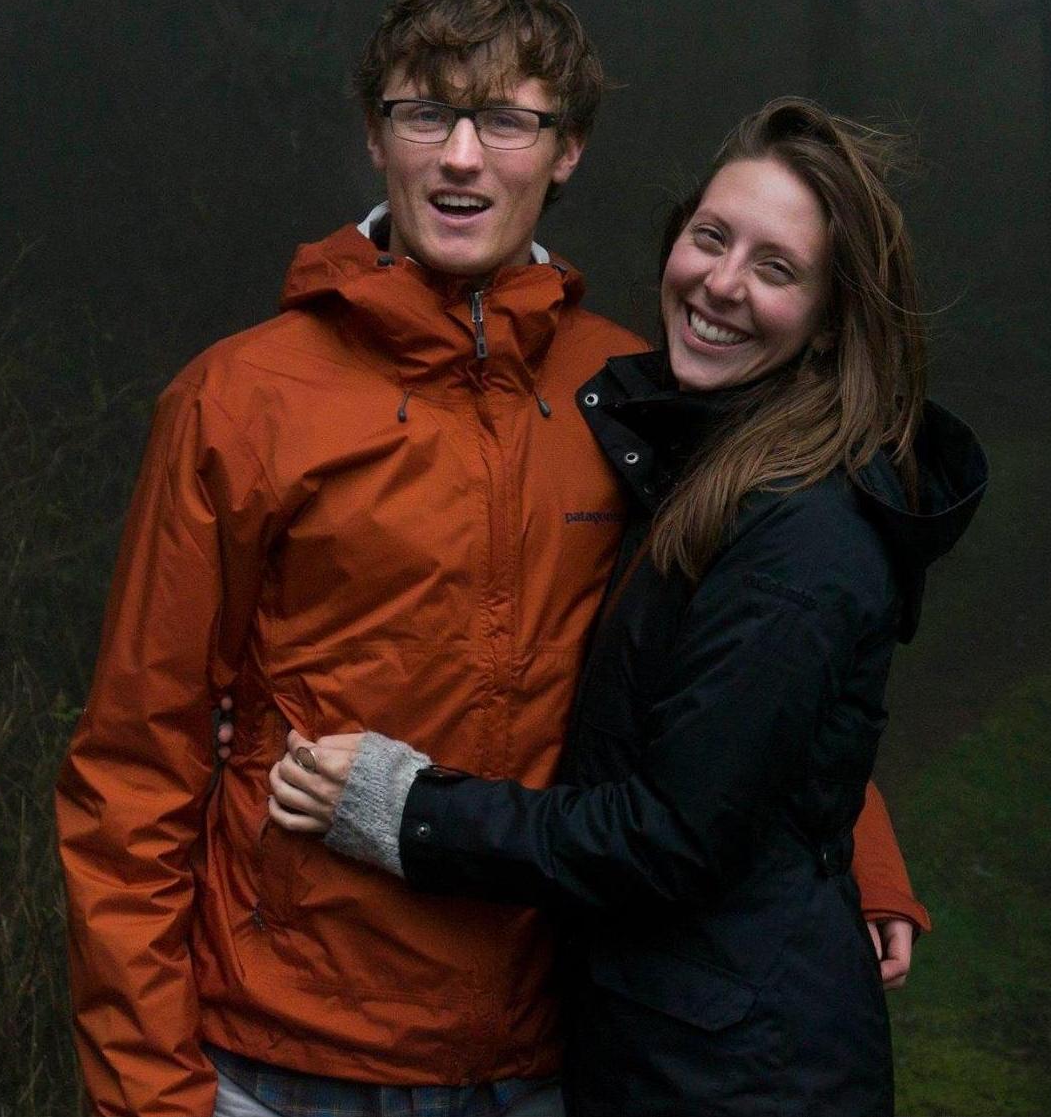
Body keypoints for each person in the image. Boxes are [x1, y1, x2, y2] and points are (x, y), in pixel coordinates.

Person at [55, 0, 928, 1117]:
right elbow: (135, 768)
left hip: (547, 1051)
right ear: (376, 136)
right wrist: (146, 1093)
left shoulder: (629, 392)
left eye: (507, 119)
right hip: (287, 1057)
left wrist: (858, 849)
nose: (462, 157)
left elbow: (740, 655)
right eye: (427, 112)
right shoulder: (238, 400)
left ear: (564, 153)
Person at [266, 97, 986, 1116]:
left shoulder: (800, 532)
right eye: (710, 236)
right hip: (674, 1039)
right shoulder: (705, 456)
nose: (720, 284)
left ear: (829, 325)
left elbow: (673, 831)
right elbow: (747, 737)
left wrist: (408, 807)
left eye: (774, 269)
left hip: (735, 1072)